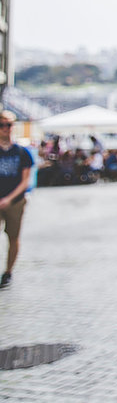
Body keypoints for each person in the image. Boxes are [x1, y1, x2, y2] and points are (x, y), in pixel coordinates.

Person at [0, 111, 34, 289]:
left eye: (9, 125)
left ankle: (8, 272)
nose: (6, 129)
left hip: (15, 201)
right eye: (2, 125)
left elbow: (25, 180)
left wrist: (9, 199)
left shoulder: (22, 152)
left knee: (13, 237)